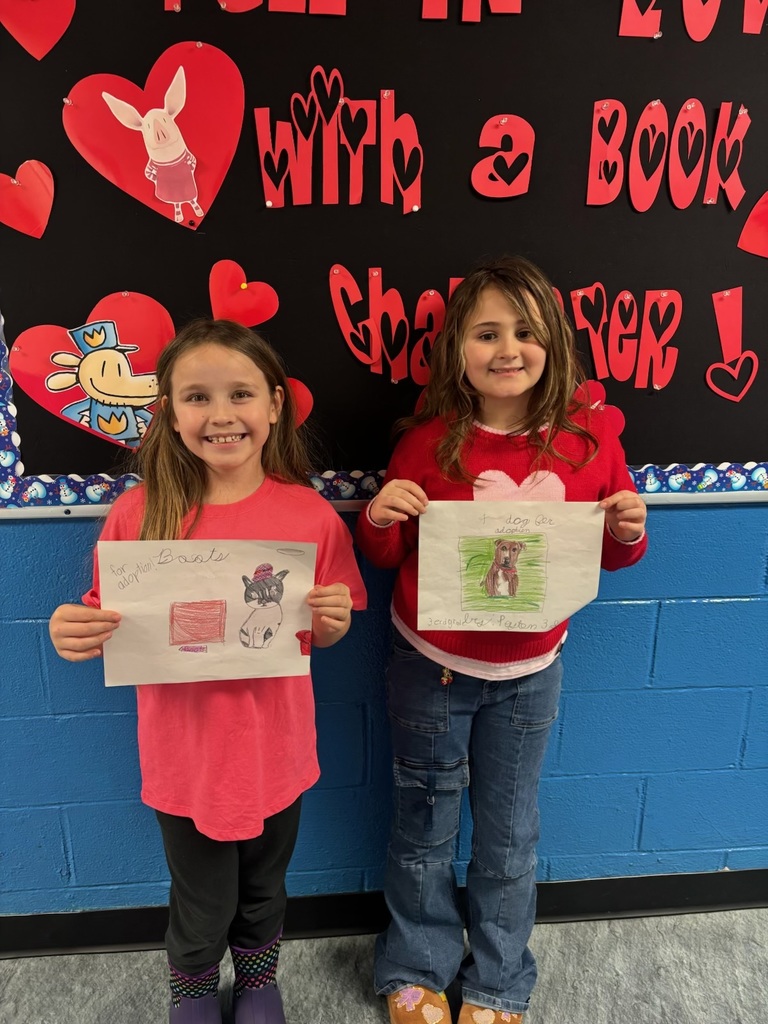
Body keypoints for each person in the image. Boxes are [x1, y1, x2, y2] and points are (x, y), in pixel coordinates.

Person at [49, 319, 367, 1024]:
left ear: (275, 405)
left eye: (241, 395)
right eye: (196, 397)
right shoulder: (139, 513)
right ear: (167, 409)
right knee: (202, 896)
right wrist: (73, 628)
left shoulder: (310, 516)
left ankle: (258, 982)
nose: (221, 415)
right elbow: (104, 617)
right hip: (185, 758)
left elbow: (329, 617)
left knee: (264, 885)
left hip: (277, 750)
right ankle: (192, 987)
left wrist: (334, 621)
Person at [355, 256, 647, 1024]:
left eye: (525, 332)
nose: (507, 349)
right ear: (457, 349)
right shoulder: (426, 445)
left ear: (553, 345)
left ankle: (496, 979)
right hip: (430, 667)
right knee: (423, 821)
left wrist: (628, 532)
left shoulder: (589, 443)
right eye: (486, 333)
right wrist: (379, 520)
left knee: (511, 833)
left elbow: (608, 555)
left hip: (529, 672)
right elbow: (388, 558)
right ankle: (415, 967)